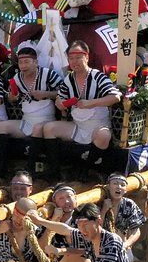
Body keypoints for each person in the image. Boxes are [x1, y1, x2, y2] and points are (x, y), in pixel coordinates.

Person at [41, 41, 122, 180]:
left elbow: (115, 97)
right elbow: (60, 98)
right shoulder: (69, 79)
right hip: (78, 126)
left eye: (78, 57)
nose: (74, 62)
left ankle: (85, 169)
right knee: (49, 128)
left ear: (87, 57)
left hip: (98, 126)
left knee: (103, 136)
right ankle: (54, 170)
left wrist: (91, 103)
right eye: (71, 58)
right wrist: (60, 103)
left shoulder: (98, 76)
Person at [0, 46, 63, 175]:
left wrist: (46, 94)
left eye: (27, 62)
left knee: (38, 128)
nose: (23, 66)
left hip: (46, 122)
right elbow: (12, 98)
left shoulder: (47, 74)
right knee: (2, 126)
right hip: (27, 120)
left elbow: (63, 92)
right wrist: (12, 97)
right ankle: (1, 166)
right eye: (21, 62)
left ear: (35, 62)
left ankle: (31, 167)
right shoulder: (17, 78)